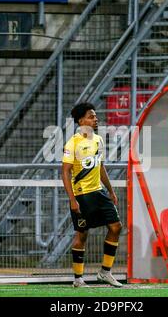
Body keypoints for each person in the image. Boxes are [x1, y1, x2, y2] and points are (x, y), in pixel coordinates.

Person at [62, 102, 123, 288]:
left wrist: (111, 191)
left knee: (116, 227)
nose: (95, 119)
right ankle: (78, 279)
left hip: (99, 192)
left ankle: (105, 272)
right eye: (91, 116)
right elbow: (65, 172)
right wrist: (72, 199)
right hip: (82, 196)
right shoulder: (73, 142)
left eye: (95, 116)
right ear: (81, 121)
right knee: (82, 234)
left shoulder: (98, 139)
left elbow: (100, 166)